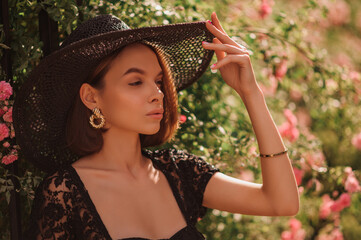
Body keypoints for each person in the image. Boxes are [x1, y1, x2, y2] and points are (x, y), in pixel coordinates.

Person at [13, 12, 299, 240]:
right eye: (136, 82)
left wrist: (251, 93)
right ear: (91, 97)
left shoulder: (179, 173)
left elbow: (281, 202)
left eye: (158, 81)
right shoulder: (64, 194)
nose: (157, 93)